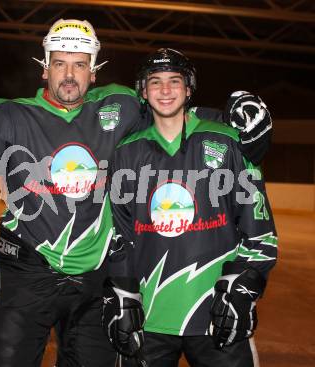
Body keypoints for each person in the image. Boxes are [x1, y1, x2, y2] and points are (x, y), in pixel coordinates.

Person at [0, 19, 273, 367]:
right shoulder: (6, 116)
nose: (70, 75)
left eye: (80, 64)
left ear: (94, 69)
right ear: (44, 67)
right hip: (26, 278)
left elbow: (171, 112)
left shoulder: (121, 105)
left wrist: (235, 123)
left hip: (97, 285)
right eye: (60, 63)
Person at [102, 48, 277, 367]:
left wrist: (243, 287)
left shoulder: (228, 144)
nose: (165, 90)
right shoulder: (126, 154)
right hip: (149, 320)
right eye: (155, 82)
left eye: (174, 81)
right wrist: (121, 294)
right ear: (143, 90)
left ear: (189, 87)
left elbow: (260, 235)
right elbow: (118, 237)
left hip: (217, 317)